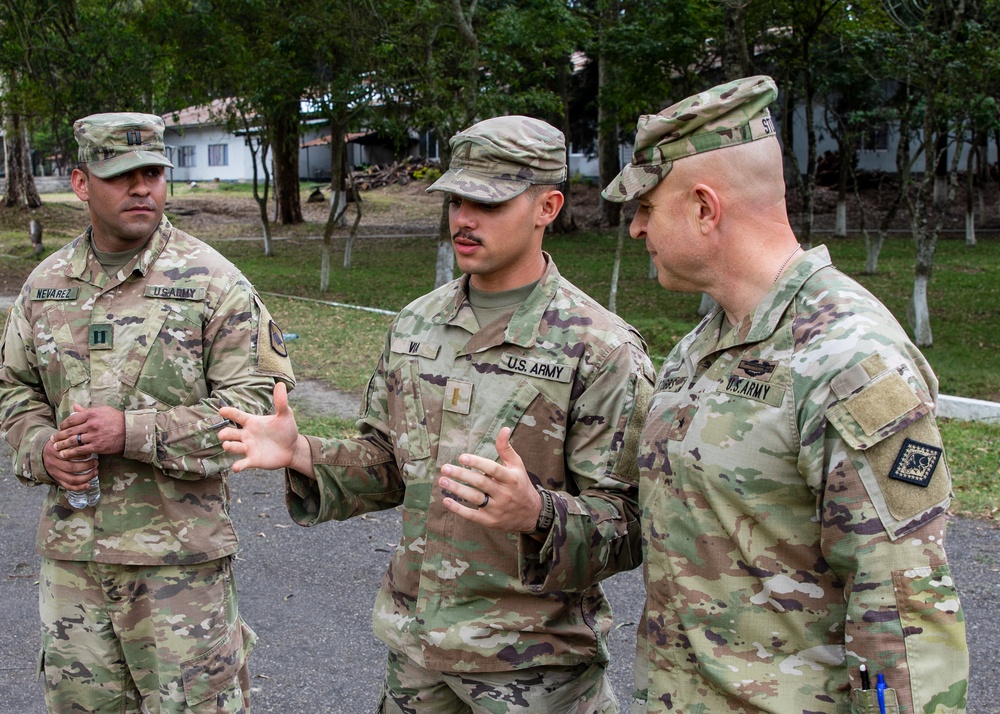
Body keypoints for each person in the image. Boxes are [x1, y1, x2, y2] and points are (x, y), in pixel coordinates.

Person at [218, 115, 655, 713]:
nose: (463, 219)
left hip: (534, 672)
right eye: (456, 199)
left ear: (547, 206)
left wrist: (538, 514)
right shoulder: (417, 325)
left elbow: (632, 525)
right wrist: (303, 454)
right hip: (418, 659)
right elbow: (391, 464)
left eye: (488, 202)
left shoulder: (599, 349)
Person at [602, 76, 969, 713]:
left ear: (703, 208)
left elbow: (903, 604)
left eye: (645, 207)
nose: (635, 229)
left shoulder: (848, 357)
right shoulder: (703, 346)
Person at [0, 112, 295, 713]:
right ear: (82, 183)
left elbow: (255, 414)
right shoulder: (45, 285)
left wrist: (131, 432)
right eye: (122, 175)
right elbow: (15, 389)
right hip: (74, 563)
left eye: (154, 173)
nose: (142, 188)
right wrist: (42, 450)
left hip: (178, 567)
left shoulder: (213, 282)